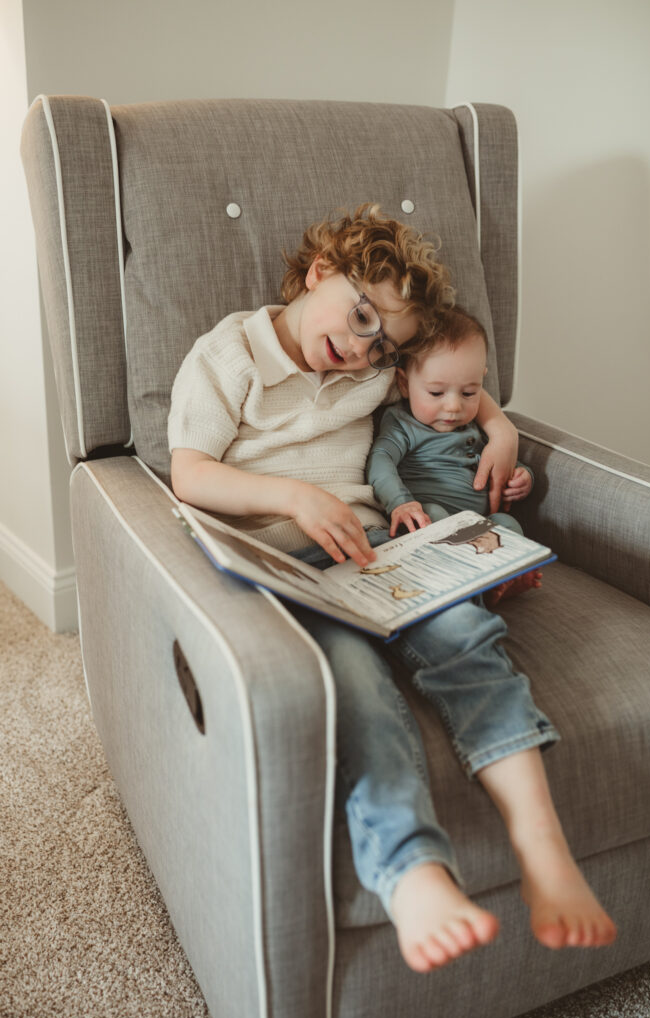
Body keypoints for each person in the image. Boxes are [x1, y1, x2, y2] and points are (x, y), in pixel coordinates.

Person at [169, 205, 616, 974]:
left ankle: (541, 844)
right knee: (354, 687)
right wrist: (290, 497)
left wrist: (500, 428)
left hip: (379, 552)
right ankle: (412, 876)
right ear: (318, 273)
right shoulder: (230, 355)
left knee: (466, 638)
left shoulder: (373, 368)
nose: (359, 348)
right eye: (360, 314)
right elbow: (189, 473)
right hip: (290, 571)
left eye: (381, 344)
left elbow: (445, 381)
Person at [367, 305, 542, 602]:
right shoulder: (402, 423)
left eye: (469, 393)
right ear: (403, 384)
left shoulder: (476, 426)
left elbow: (497, 461)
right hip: (426, 516)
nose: (453, 407)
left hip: (478, 525)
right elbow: (380, 461)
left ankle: (502, 579)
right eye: (436, 393)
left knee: (508, 524)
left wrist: (523, 476)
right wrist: (401, 503)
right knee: (433, 515)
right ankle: (474, 586)